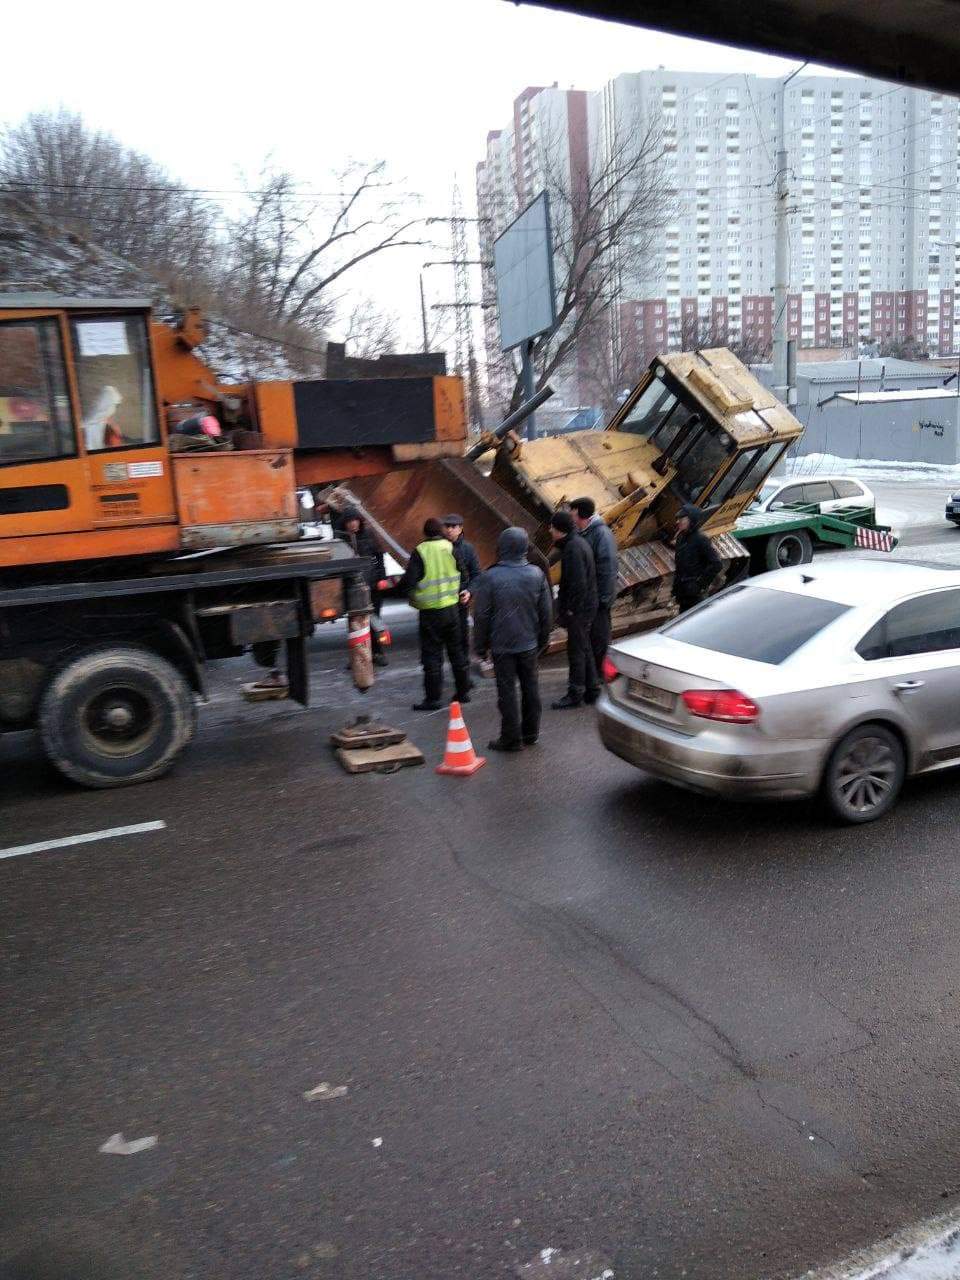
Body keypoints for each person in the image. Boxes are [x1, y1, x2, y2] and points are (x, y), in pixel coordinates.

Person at [472, 527, 553, 752]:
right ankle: (531, 733)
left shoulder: (490, 577)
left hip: (502, 645)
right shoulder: (536, 574)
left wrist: (480, 645)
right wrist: (543, 639)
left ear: (502, 547)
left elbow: (482, 615)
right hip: (529, 644)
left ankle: (511, 738)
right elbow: (546, 612)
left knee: (506, 692)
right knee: (530, 688)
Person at [399, 517, 471, 711]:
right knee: (456, 652)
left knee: (432, 656)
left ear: (425, 532)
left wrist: (403, 590)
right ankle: (463, 692)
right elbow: (464, 575)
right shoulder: (450, 547)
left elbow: (410, 581)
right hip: (452, 609)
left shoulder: (421, 551)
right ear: (440, 531)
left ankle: (433, 699)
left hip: (430, 613)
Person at [548, 509, 599, 710]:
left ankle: (575, 693)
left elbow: (577, 584)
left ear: (560, 530)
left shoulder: (572, 549)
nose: (550, 530)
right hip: (585, 607)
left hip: (580, 610)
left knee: (576, 651)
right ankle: (592, 690)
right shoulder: (577, 543)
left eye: (552, 527)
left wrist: (570, 610)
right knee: (584, 648)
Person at [570, 497, 618, 682]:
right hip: (589, 600)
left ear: (582, 515)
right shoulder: (584, 533)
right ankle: (591, 675)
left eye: (573, 514)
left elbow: (608, 568)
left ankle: (599, 676)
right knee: (590, 640)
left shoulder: (601, 535)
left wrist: (603, 600)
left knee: (599, 639)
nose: (571, 518)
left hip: (598, 600)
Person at [339, 506, 389, 667]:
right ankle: (357, 657)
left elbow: (379, 558)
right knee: (355, 623)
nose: (352, 524)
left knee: (374, 619)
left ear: (359, 521)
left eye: (354, 520)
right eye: (349, 522)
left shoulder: (370, 536)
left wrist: (382, 578)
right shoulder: (342, 540)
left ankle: (377, 653)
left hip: (372, 585)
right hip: (352, 588)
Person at [442, 513, 481, 660]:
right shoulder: (439, 548)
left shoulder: (468, 549)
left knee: (461, 637)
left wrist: (469, 591)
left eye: (453, 526)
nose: (450, 530)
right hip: (442, 601)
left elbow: (477, 574)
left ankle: (463, 668)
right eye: (447, 526)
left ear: (460, 529)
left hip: (459, 601)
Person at [673, 503, 722, 613]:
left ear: (691, 520)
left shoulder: (701, 539)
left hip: (694, 594)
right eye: (678, 519)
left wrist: (700, 584)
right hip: (682, 592)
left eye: (681, 519)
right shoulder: (681, 538)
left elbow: (716, 564)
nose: (678, 522)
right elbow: (680, 565)